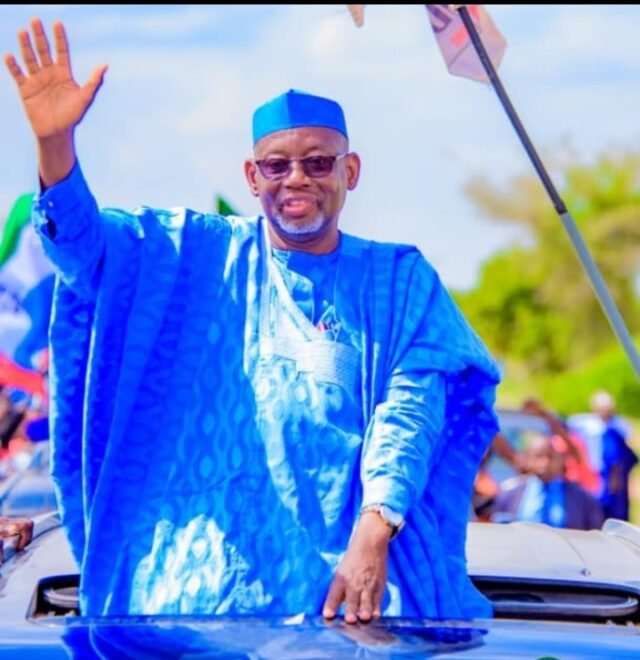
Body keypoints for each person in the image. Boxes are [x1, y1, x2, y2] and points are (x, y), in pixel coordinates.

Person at [4, 19, 501, 621]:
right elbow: (84, 250)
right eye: (277, 166)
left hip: (341, 611)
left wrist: (374, 531)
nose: (297, 179)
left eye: (318, 163)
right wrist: (55, 147)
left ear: (350, 171)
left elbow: (411, 412)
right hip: (188, 608)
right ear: (252, 176)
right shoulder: (190, 256)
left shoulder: (398, 283)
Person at [489, 433, 605, 531]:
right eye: (538, 457)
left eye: (550, 457)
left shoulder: (582, 498)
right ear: (528, 459)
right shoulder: (508, 494)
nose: (544, 463)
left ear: (561, 460)